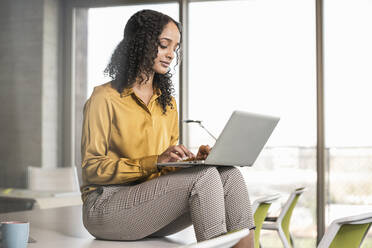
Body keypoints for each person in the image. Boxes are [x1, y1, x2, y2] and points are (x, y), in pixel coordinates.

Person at [80, 9, 255, 247]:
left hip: (149, 207)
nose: (171, 54)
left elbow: (165, 170)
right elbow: (92, 169)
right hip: (106, 208)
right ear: (140, 43)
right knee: (204, 179)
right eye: (164, 45)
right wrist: (155, 161)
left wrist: (192, 162)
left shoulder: (167, 103)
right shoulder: (104, 98)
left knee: (229, 175)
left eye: (175, 47)